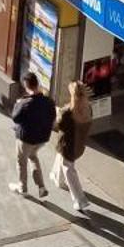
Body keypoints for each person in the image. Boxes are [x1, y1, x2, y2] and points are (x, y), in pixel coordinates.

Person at [8, 72, 55, 198]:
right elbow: (53, 117)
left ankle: (22, 188)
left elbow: (15, 118)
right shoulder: (48, 101)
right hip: (42, 139)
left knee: (21, 161)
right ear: (37, 83)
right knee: (33, 157)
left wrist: (18, 103)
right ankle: (41, 187)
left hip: (26, 139)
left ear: (26, 86)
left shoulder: (25, 103)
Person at [50, 80, 93, 214]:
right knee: (60, 158)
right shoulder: (89, 109)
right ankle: (57, 177)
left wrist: (58, 111)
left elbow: (58, 125)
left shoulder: (67, 113)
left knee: (68, 169)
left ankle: (80, 200)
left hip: (68, 146)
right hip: (80, 145)